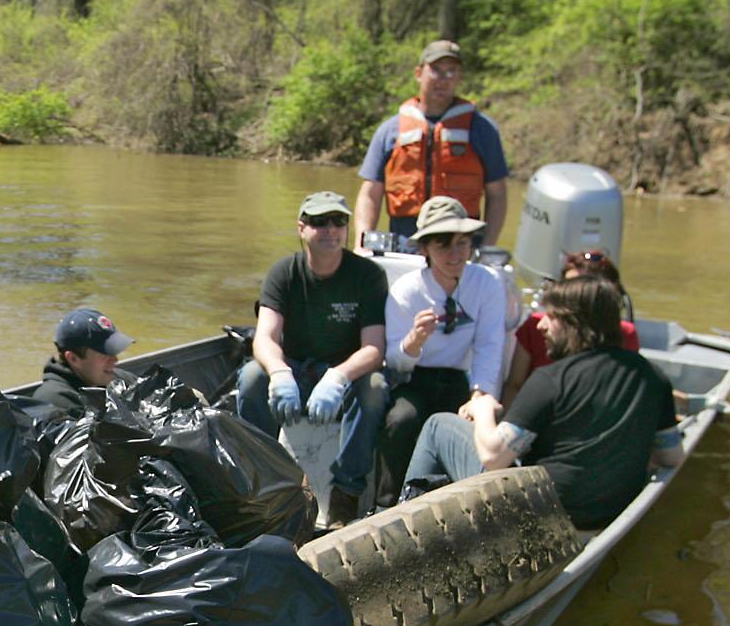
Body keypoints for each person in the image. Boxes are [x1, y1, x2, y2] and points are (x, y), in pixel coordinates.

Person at [400, 274, 682, 530]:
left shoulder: (551, 379)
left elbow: (494, 457)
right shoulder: (653, 376)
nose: (542, 325)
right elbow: (671, 457)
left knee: (439, 426)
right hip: (606, 519)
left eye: (551, 316)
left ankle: (403, 531)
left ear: (578, 324)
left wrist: (483, 408)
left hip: (537, 519)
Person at [234, 190, 388, 525]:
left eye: (339, 221)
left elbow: (375, 348)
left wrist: (338, 376)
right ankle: (260, 483)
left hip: (343, 377)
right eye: (320, 222)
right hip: (296, 370)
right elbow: (265, 337)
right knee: (250, 379)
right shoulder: (283, 273)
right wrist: (278, 372)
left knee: (375, 387)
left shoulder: (368, 275)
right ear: (301, 228)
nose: (331, 229)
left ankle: (345, 494)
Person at [375, 195, 507, 505]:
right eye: (443, 245)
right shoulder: (407, 290)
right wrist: (413, 343)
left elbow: (489, 345)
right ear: (424, 249)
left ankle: (463, 506)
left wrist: (480, 395)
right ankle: (386, 503)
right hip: (415, 379)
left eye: (462, 244)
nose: (455, 254)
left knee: (469, 426)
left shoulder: (486, 284)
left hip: (459, 379)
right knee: (401, 420)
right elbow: (395, 361)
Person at [354, 39, 510, 251]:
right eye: (435, 70)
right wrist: (362, 244)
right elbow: (370, 192)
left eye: (451, 71)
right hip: (404, 242)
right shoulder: (390, 130)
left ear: (459, 77)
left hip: (461, 245)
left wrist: (488, 246)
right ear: (419, 73)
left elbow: (497, 193)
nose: (443, 79)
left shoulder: (482, 130)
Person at [501, 248, 639, 407]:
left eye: (587, 290)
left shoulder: (626, 333)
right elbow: (515, 384)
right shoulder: (535, 327)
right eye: (569, 286)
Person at [32, 306, 134, 415]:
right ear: (73, 359)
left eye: (114, 350)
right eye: (104, 354)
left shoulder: (121, 380)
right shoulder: (53, 404)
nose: (115, 360)